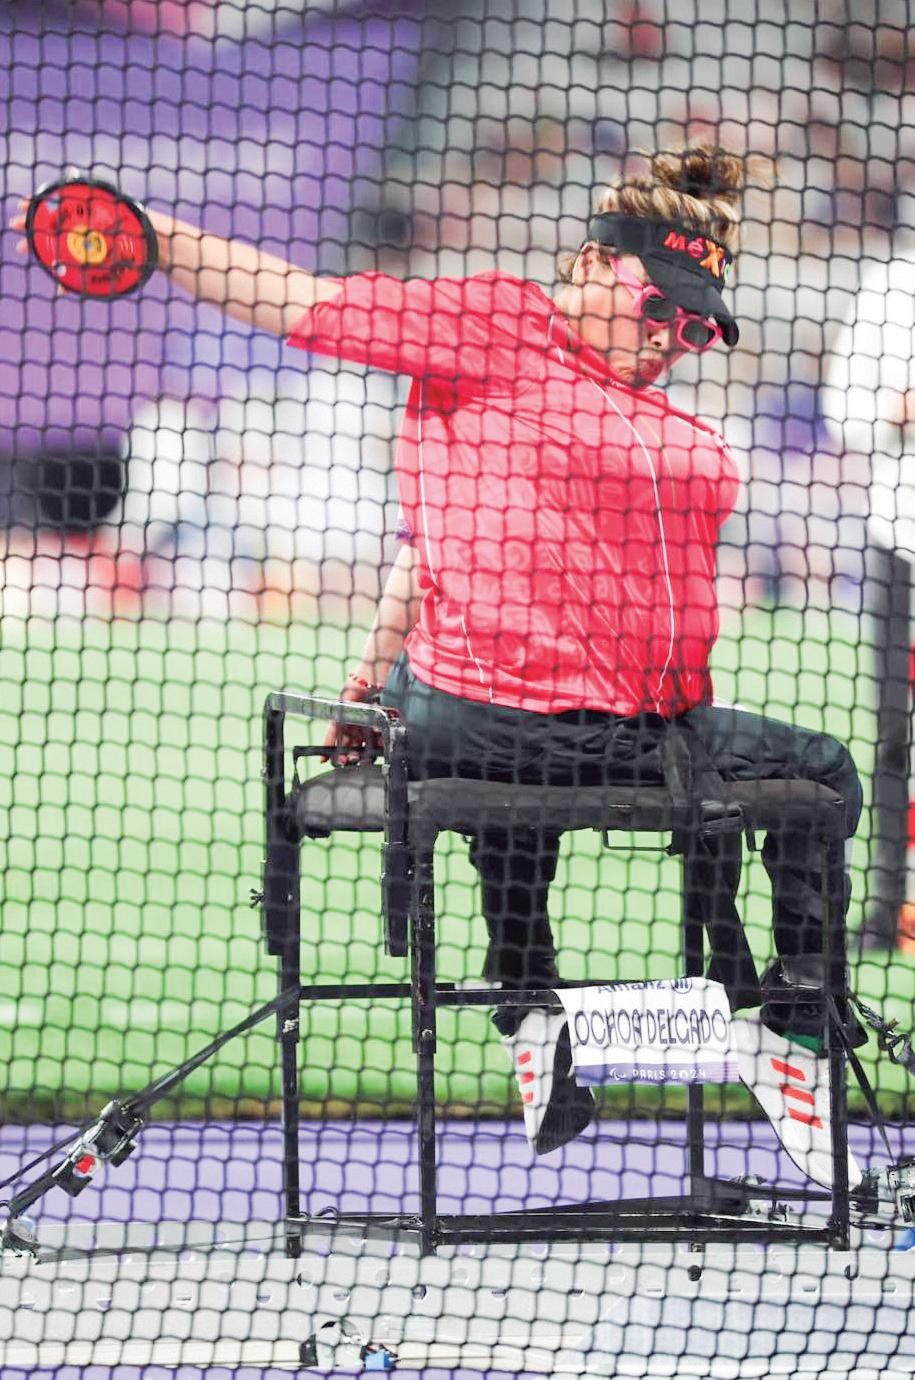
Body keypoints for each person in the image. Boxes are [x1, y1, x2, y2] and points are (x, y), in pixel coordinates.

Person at [11, 146, 866, 1177]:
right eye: (658, 309)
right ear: (591, 265)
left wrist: (367, 685)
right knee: (821, 771)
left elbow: (434, 548)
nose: (669, 340)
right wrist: (151, 236)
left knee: (532, 760)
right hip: (555, 723)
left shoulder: (632, 410)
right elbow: (304, 306)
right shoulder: (498, 324)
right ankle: (791, 1028)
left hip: (536, 724)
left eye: (693, 328)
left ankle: (532, 1006)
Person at [822, 238, 915, 953]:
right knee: (892, 733)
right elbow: (842, 410)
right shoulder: (893, 282)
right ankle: (888, 907)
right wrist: (896, 408)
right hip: (901, 539)